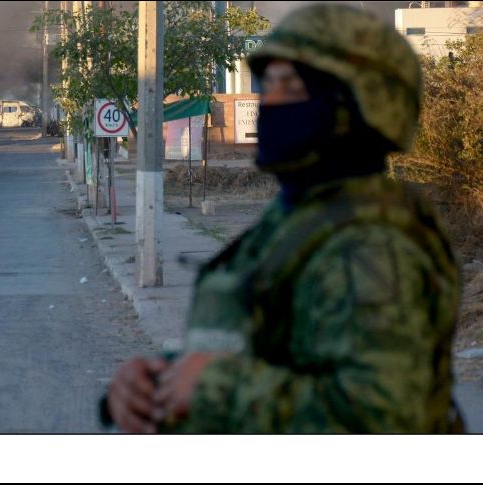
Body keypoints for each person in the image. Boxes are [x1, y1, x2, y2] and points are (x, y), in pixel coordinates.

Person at [102, 4, 464, 433]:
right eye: (267, 84)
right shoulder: (297, 219)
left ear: (358, 103)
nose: (269, 102)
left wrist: (218, 387)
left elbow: (386, 415)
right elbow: (267, 349)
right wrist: (159, 379)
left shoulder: (376, 245)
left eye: (289, 87)